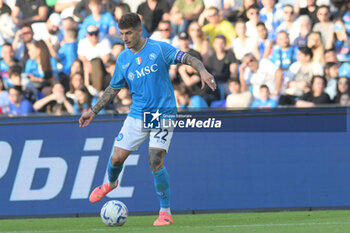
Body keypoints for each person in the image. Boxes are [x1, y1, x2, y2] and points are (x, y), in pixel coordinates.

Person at [79, 13, 215, 226]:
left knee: (154, 160)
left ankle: (165, 212)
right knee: (116, 159)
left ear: (139, 30)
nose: (125, 38)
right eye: (122, 34)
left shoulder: (159, 49)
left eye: (129, 33)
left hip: (163, 112)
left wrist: (203, 71)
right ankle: (111, 184)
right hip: (138, 114)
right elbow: (113, 88)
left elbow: (189, 58)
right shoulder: (123, 58)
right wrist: (93, 111)